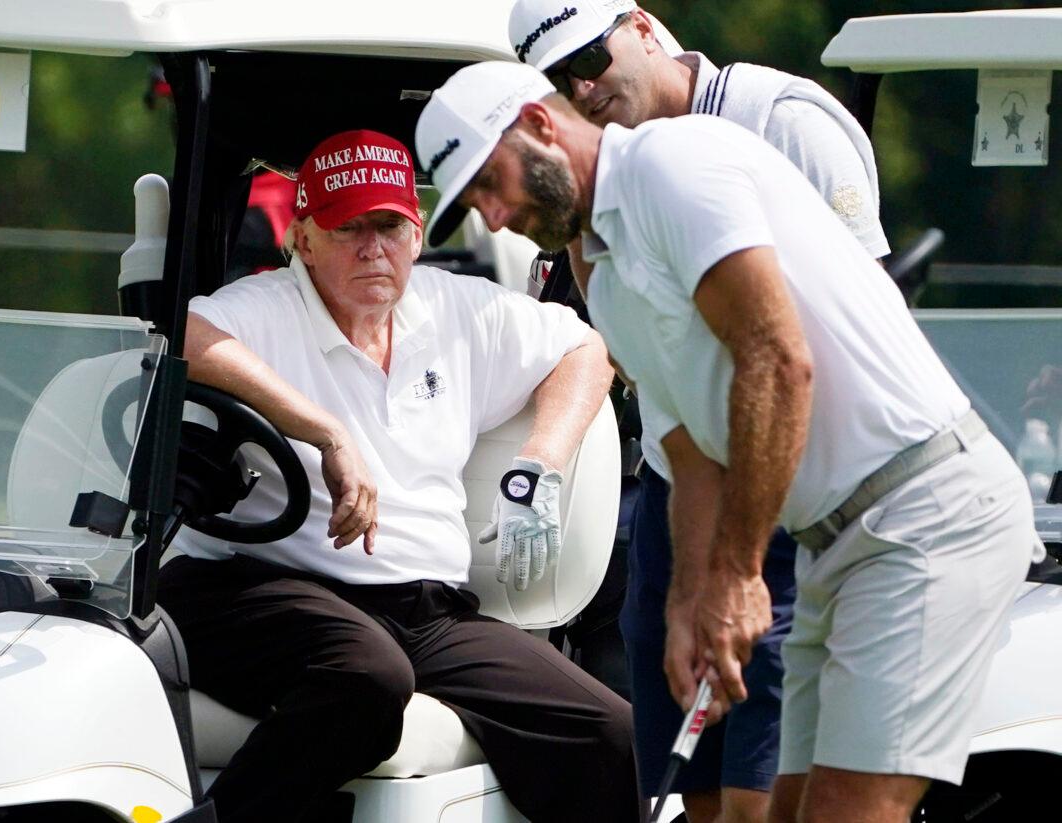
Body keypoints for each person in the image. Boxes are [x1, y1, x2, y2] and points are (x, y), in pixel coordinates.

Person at [414, 62, 1037, 823]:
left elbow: (777, 360)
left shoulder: (672, 164)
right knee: (786, 813)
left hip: (926, 513)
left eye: (489, 182)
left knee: (848, 811)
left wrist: (739, 574)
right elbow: (693, 458)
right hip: (832, 545)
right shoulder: (606, 281)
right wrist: (689, 603)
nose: (494, 216)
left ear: (540, 127)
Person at [157, 128, 642, 823]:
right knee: (368, 677)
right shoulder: (263, 309)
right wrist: (326, 430)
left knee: (610, 733)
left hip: (425, 609)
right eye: (347, 226)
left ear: (416, 236)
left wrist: (541, 462)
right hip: (265, 586)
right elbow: (186, 337)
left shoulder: (453, 308)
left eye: (388, 225)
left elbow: (586, 348)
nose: (372, 247)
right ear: (303, 237)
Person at [505, 1, 891, 818]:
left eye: (592, 59)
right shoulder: (599, 169)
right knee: (688, 794)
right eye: (560, 80)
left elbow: (851, 337)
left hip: (800, 492)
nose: (585, 86)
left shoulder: (783, 121)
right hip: (682, 488)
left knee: (767, 799)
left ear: (643, 28)